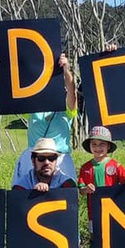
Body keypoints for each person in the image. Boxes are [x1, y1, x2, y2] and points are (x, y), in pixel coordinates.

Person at [77, 126, 125, 248]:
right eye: (94, 144)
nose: (98, 148)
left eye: (102, 144)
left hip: (112, 212)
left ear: (109, 146)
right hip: (93, 213)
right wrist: (86, 189)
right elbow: (80, 189)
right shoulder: (86, 167)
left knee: (111, 243)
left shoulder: (115, 165)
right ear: (90, 147)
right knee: (94, 243)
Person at [11, 53, 79, 184]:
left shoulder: (66, 110)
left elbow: (72, 90)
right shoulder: (33, 107)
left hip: (60, 158)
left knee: (65, 196)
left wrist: (65, 69)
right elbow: (19, 92)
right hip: (34, 158)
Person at [13, 137, 78, 191]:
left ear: (56, 160)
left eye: (51, 158)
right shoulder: (21, 186)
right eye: (41, 158)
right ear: (33, 160)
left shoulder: (67, 184)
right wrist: (32, 194)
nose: (47, 162)